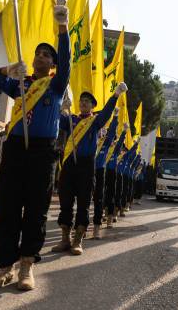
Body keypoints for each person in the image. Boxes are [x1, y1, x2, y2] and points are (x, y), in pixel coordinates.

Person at [0, 5, 71, 291]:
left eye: (47, 54)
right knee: (8, 207)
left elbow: (67, 62)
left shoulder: (55, 86)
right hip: (15, 150)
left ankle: (26, 267)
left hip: (42, 152)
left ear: (52, 64)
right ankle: (4, 267)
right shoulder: (20, 84)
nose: (40, 56)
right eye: (38, 52)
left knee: (35, 210)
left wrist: (63, 27)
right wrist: (9, 69)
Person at [52, 84, 127, 256]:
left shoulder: (94, 122)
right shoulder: (71, 119)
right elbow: (56, 118)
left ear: (93, 106)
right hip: (69, 164)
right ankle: (65, 239)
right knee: (65, 202)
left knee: (84, 203)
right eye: (81, 101)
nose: (83, 103)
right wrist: (60, 107)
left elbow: (106, 114)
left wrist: (115, 95)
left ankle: (77, 240)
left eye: (87, 102)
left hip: (86, 165)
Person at [91, 108, 120, 238]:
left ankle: (97, 226)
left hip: (102, 170)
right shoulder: (89, 135)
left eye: (103, 128)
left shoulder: (106, 143)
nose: (102, 130)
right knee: (84, 199)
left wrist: (115, 117)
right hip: (87, 168)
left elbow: (112, 131)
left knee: (100, 198)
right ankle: (81, 227)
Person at [103, 126, 128, 227]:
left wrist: (124, 131)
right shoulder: (103, 145)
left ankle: (110, 217)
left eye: (113, 139)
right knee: (101, 195)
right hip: (102, 171)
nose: (112, 141)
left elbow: (121, 141)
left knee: (112, 195)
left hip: (113, 173)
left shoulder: (116, 150)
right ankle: (103, 214)